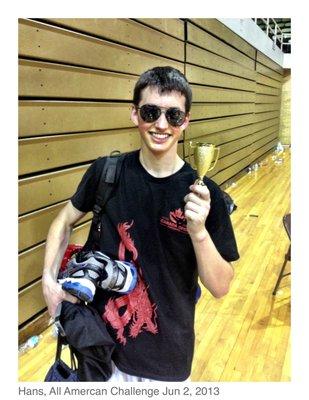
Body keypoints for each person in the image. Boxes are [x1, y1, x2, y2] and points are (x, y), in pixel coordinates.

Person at [42, 66, 239, 382]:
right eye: (151, 112)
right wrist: (48, 281)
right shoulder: (107, 172)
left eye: (173, 116)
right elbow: (63, 222)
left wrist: (199, 232)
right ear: (135, 114)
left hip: (167, 363)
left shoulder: (205, 194)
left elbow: (221, 286)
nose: (161, 124)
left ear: (185, 121)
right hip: (99, 351)